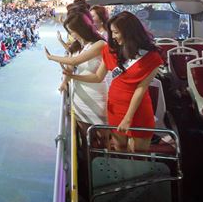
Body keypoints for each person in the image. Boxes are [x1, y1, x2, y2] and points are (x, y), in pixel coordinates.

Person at [62, 11, 163, 152]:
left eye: (116, 32)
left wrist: (128, 118)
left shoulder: (152, 57)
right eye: (112, 32)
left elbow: (141, 88)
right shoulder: (112, 51)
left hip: (138, 110)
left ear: (129, 32)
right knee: (119, 149)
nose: (113, 37)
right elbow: (98, 77)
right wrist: (72, 77)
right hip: (115, 106)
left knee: (140, 153)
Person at [45, 10, 107, 135]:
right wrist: (65, 82)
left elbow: (74, 61)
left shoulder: (99, 44)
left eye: (72, 31)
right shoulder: (79, 45)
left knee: (102, 136)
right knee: (84, 137)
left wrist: (51, 57)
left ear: (82, 28)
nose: (72, 35)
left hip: (95, 97)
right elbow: (70, 66)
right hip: (78, 95)